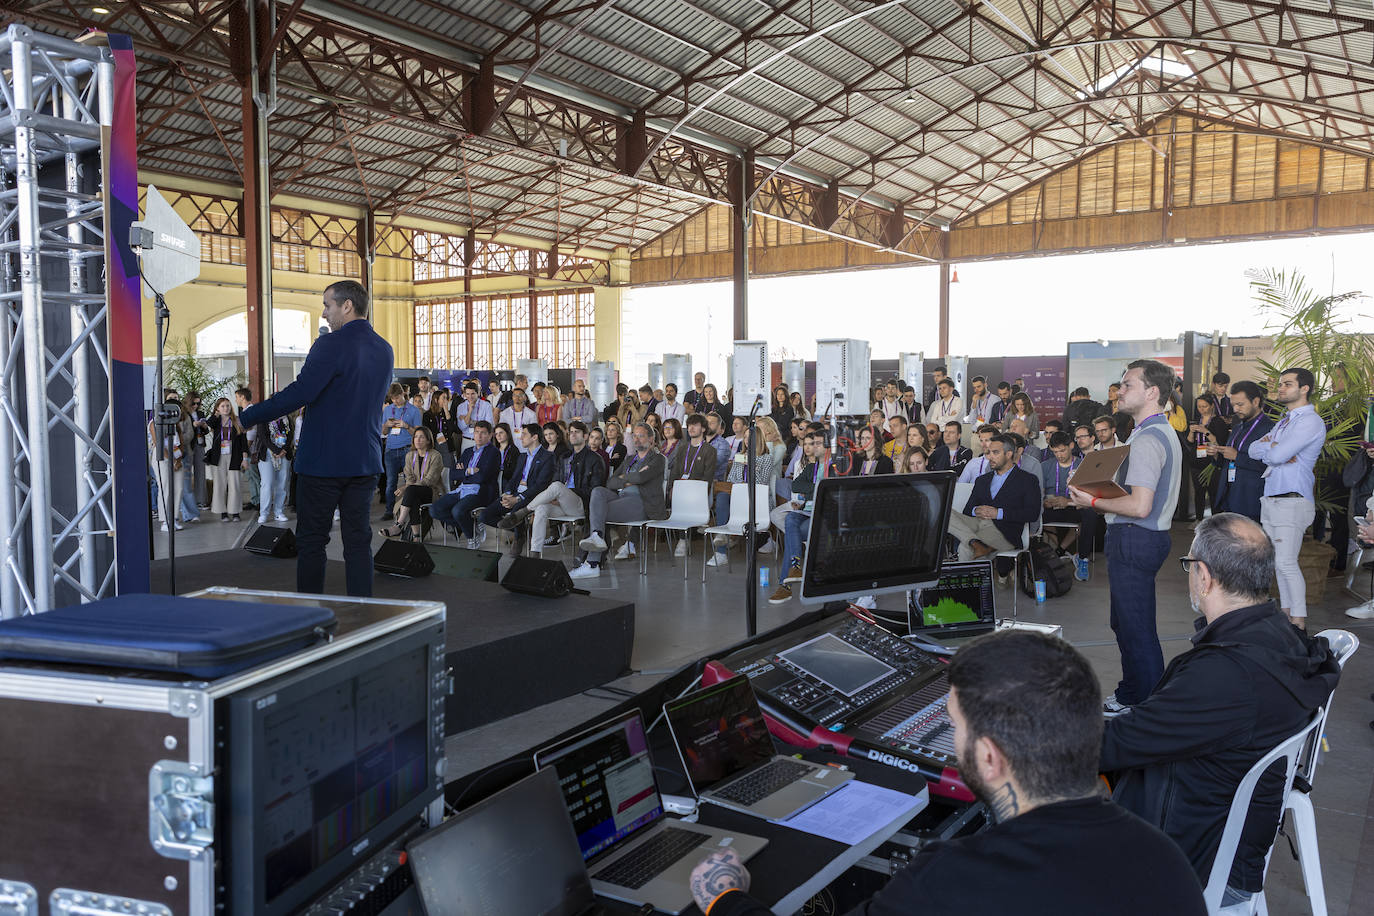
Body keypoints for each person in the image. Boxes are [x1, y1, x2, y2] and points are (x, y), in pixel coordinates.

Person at [692, 630, 1207, 916]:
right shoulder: (1165, 859)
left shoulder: (950, 884)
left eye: (954, 726)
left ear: (989, 757)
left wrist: (725, 899)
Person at [1100, 513, 1340, 906]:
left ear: (1204, 576)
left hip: (1195, 863)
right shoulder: (1283, 638)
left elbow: (1111, 745)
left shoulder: (1225, 675)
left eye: (1189, 566)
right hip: (1226, 836)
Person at [238, 279, 394, 597]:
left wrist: (250, 415)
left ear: (347, 305)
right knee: (358, 541)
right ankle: (363, 610)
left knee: (311, 541)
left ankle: (311, 614)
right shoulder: (384, 349)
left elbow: (301, 393)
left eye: (327, 305)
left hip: (323, 462)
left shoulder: (331, 344)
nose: (324, 314)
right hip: (364, 461)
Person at [1069, 360, 1182, 713]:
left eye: (1128, 384)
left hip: (1136, 536)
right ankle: (1133, 692)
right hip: (1140, 538)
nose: (1120, 390)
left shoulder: (1149, 438)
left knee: (1136, 628)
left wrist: (1094, 500)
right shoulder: (1153, 432)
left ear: (1152, 392)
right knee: (1128, 622)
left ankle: (1147, 707)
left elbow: (1140, 506)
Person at [1248, 367, 1325, 630]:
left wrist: (1275, 450)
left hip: (1291, 499)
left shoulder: (1309, 421)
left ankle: (1299, 622)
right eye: (1280, 384)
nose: (1281, 388)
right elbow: (1252, 448)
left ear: (1304, 388)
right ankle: (1287, 617)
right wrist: (1276, 448)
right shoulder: (1285, 421)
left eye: (1287, 384)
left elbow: (1276, 456)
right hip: (1272, 498)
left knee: (1285, 562)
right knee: (1278, 563)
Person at [573, 423, 667, 576]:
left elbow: (642, 477)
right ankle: (596, 538)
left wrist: (626, 478)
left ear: (651, 439)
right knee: (598, 491)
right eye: (634, 436)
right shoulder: (629, 459)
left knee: (598, 513)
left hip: (642, 503)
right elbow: (611, 481)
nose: (636, 439)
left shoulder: (657, 459)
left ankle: (592, 563)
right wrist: (630, 480)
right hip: (622, 498)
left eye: (641, 436)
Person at [502, 419, 607, 554]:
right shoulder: (564, 457)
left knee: (557, 486)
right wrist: (555, 496)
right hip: (561, 503)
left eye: (577, 432)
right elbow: (554, 480)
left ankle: (522, 512)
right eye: (571, 432)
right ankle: (535, 553)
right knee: (541, 509)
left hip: (581, 505)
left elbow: (595, 491)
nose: (573, 435)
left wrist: (563, 492)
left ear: (585, 436)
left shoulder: (595, 459)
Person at [947, 434, 1040, 561]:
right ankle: (975, 542)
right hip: (977, 526)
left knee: (965, 549)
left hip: (1005, 532)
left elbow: (1032, 514)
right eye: (989, 452)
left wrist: (998, 513)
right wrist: (977, 510)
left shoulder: (1027, 480)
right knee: (943, 513)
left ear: (1008, 454)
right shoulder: (982, 480)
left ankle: (975, 546)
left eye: (995, 452)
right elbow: (967, 510)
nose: (990, 457)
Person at [768, 430, 828, 605]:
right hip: (807, 510)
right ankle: (795, 567)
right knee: (791, 520)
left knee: (793, 531)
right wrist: (815, 489)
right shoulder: (813, 466)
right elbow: (796, 484)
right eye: (812, 443)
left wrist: (813, 489)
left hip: (823, 514)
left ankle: (785, 585)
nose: (813, 447)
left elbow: (825, 487)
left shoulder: (834, 466)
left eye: (817, 443)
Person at [1208, 380, 1274, 523]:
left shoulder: (1269, 429)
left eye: (1240, 405)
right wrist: (1216, 455)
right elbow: (1227, 460)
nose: (1235, 410)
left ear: (1255, 402)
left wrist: (1237, 456)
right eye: (1233, 405)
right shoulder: (1238, 426)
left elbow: (1270, 466)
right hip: (1229, 495)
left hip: (1250, 499)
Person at [479, 422, 556, 544]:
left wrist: (518, 498)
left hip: (533, 496)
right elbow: (514, 479)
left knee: (515, 513)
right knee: (485, 515)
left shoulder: (548, 457)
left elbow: (541, 485)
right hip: (515, 494)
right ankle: (520, 531)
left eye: (524, 434)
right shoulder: (522, 457)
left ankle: (518, 539)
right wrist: (507, 494)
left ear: (534, 437)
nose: (520, 438)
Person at [429, 420, 501, 549]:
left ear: (490, 435)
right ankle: (471, 524)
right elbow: (453, 474)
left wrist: (464, 473)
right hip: (462, 489)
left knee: (458, 510)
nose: (479, 436)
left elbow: (483, 477)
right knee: (435, 509)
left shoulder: (494, 452)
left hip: (481, 492)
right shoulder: (467, 451)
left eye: (483, 433)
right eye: (477, 432)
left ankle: (471, 537)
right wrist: (469, 471)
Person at [1041, 431, 1094, 578]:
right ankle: (1061, 549)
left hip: (1074, 506)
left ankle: (1082, 558)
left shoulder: (1083, 465)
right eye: (1055, 452)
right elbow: (1040, 492)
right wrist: (1045, 502)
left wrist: (1068, 502)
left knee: (1089, 514)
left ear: (1071, 445)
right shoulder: (1045, 466)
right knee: (1034, 513)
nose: (1059, 455)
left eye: (1062, 450)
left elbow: (1089, 497)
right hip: (1052, 507)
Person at [379, 426, 446, 541]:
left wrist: (407, 487)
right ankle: (416, 537)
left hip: (431, 492)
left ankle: (399, 525)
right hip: (415, 492)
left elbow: (429, 480)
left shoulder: (435, 456)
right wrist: (408, 486)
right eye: (416, 437)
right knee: (413, 498)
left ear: (428, 440)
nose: (418, 440)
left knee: (411, 490)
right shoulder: (410, 455)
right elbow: (409, 477)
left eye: (421, 437)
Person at [1182, 394, 1230, 521]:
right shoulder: (1196, 420)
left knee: (1214, 493)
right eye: (1199, 406)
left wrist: (1205, 431)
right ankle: (1198, 520)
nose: (1201, 409)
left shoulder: (1218, 422)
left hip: (1212, 463)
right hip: (1196, 462)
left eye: (1204, 406)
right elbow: (1190, 442)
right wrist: (1192, 432)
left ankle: (1215, 522)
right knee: (1199, 493)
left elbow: (1218, 442)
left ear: (1212, 406)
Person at [380, 383, 423, 521]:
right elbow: (384, 432)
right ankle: (389, 510)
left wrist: (406, 426)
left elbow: (418, 433)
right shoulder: (388, 410)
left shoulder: (414, 410)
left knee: (409, 481)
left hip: (407, 449)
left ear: (403, 394)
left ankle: (408, 509)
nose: (395, 401)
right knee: (391, 482)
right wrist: (386, 425)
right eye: (392, 398)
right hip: (390, 449)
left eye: (397, 397)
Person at [203, 397, 247, 522]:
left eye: (227, 405)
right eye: (222, 406)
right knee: (219, 484)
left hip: (234, 455)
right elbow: (208, 425)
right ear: (218, 408)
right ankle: (222, 511)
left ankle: (235, 512)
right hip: (218, 456)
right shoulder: (216, 421)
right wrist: (216, 414)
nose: (226, 408)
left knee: (235, 484)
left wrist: (245, 458)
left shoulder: (237, 421)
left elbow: (243, 441)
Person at [251, 413, 293, 525]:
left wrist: (283, 449)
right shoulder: (263, 417)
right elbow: (263, 437)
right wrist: (276, 450)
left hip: (284, 454)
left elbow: (290, 435)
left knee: (282, 484)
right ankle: (264, 513)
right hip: (267, 455)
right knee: (267, 484)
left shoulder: (286, 418)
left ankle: (279, 512)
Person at [235, 387, 261, 512]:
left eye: (237, 397)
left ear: (242, 397)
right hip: (248, 448)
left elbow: (251, 433)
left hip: (251, 448)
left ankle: (260, 501)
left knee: (255, 476)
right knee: (250, 476)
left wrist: (245, 449)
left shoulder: (249, 412)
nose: (236, 400)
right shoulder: (245, 411)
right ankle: (254, 499)